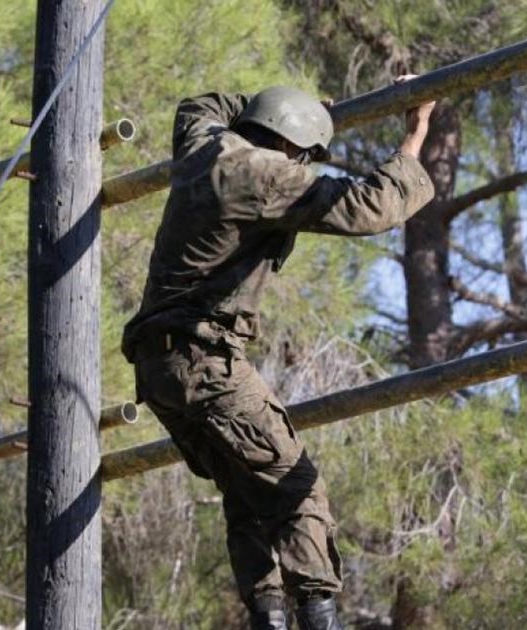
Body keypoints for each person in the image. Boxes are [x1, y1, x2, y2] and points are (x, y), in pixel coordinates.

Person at [121, 84, 436, 630]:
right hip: (203, 360)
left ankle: (267, 616)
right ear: (294, 148)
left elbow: (200, 103)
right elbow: (371, 207)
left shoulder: (203, 145)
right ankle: (316, 616)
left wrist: (302, 105)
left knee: (248, 491)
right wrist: (415, 134)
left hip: (157, 368)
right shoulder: (266, 173)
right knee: (296, 490)